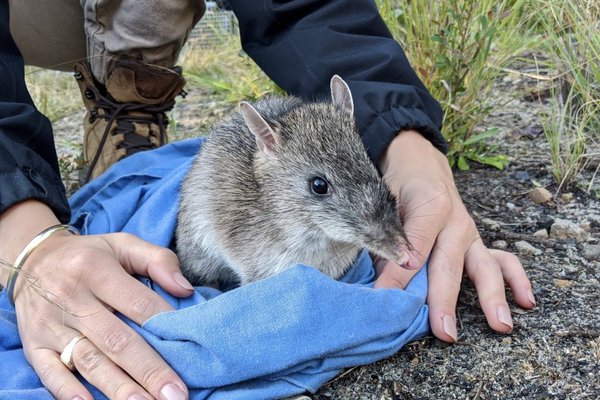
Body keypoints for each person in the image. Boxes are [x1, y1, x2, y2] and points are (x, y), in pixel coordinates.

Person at [0, 1, 536, 399]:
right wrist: (24, 234)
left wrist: (401, 135)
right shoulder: (262, 195)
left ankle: (132, 77)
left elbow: (309, 8)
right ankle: (119, 103)